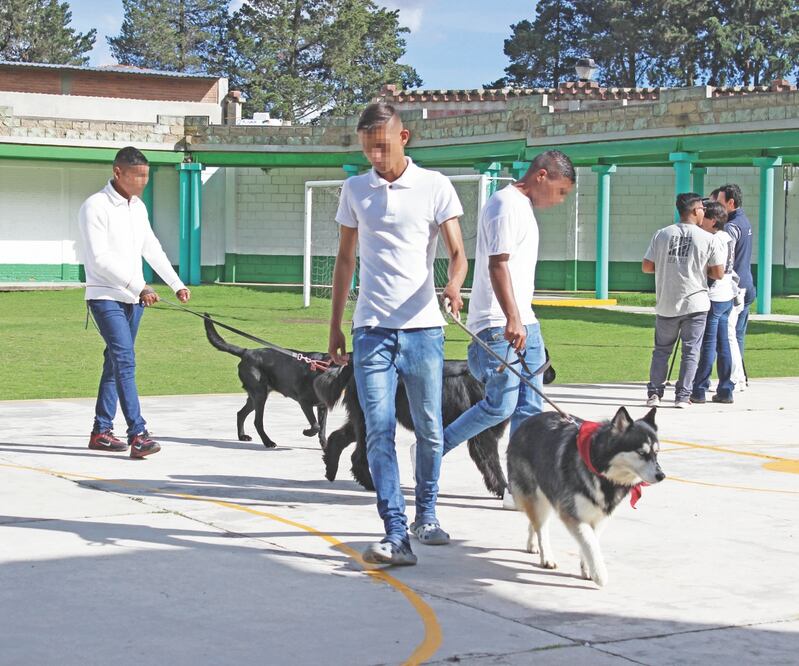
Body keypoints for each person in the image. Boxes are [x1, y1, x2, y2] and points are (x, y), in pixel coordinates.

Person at [328, 103, 467, 566]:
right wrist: (334, 326)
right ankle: (395, 531)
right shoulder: (355, 189)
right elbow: (345, 261)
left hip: (424, 329)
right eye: (368, 149)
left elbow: (457, 251)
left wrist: (453, 282)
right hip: (370, 330)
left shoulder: (435, 187)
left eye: (382, 147)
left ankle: (426, 514)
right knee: (378, 431)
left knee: (429, 428)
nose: (376, 157)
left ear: (404, 138)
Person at [439, 150, 575, 480]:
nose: (559, 201)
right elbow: (497, 264)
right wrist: (512, 317)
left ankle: (520, 484)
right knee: (501, 404)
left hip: (526, 320)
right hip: (497, 323)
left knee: (530, 408)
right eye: (560, 192)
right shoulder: (504, 204)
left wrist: (522, 318)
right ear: (541, 175)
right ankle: (434, 448)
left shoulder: (522, 208)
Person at [79, 146, 190, 458]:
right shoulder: (95, 207)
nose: (143, 182)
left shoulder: (137, 207)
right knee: (125, 360)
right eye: (137, 176)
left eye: (147, 176)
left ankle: (101, 431)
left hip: (134, 298)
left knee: (115, 361)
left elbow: (151, 248)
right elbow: (99, 260)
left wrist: (175, 282)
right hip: (104, 296)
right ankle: (138, 433)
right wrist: (140, 285)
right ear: (118, 172)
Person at [643, 193, 725, 408]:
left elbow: (647, 266)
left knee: (661, 350)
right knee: (691, 351)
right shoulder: (708, 238)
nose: (704, 212)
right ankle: (682, 396)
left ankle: (654, 393)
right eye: (702, 209)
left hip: (667, 302)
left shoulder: (661, 234)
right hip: (695, 303)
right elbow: (718, 273)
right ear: (695, 210)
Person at [690, 201, 737, 404]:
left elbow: (715, 271)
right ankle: (726, 389)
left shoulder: (715, 239)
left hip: (715, 296)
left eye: (705, 217)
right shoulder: (727, 237)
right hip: (726, 294)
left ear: (714, 220)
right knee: (722, 344)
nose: (702, 221)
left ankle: (699, 389)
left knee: (708, 345)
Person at [713, 184, 754, 388]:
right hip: (746, 284)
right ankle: (739, 378)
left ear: (730, 203)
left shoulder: (730, 227)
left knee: (728, 337)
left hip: (735, 287)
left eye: (719, 203)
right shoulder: (744, 221)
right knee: (736, 336)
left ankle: (733, 378)